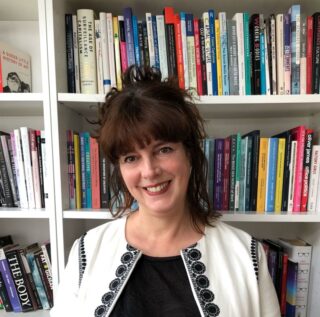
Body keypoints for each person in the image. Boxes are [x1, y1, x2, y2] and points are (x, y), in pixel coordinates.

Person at [51, 66, 280, 317]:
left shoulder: (246, 253)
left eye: (164, 150)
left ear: (189, 153)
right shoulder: (87, 250)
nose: (149, 171)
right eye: (131, 158)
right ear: (120, 169)